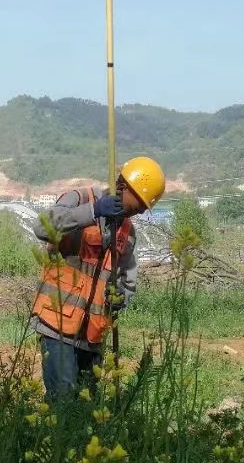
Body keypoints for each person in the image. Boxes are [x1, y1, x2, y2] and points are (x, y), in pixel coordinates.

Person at [29, 156, 165, 401]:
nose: (140, 211)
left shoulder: (128, 231)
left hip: (92, 334)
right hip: (57, 324)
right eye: (138, 205)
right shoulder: (80, 199)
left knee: (85, 405)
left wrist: (121, 298)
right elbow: (42, 227)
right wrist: (93, 212)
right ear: (123, 187)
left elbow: (128, 277)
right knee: (64, 397)